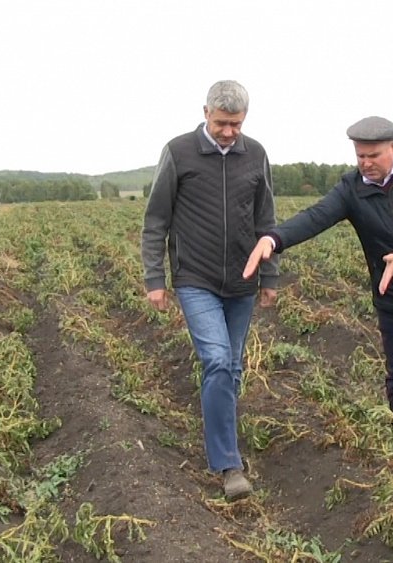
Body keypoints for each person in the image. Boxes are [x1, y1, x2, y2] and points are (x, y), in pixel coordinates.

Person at [243, 116, 393, 429]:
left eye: (374, 155)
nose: (366, 163)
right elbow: (316, 216)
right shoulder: (351, 189)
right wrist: (274, 239)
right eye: (360, 156)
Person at [141, 80, 278, 500]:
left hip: (242, 280)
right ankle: (229, 465)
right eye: (221, 123)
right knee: (217, 360)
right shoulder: (179, 152)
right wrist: (155, 279)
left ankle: (223, 434)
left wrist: (270, 277)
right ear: (205, 113)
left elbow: (266, 221)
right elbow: (156, 219)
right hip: (195, 279)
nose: (228, 132)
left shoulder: (255, 154)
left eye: (236, 124)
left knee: (232, 367)